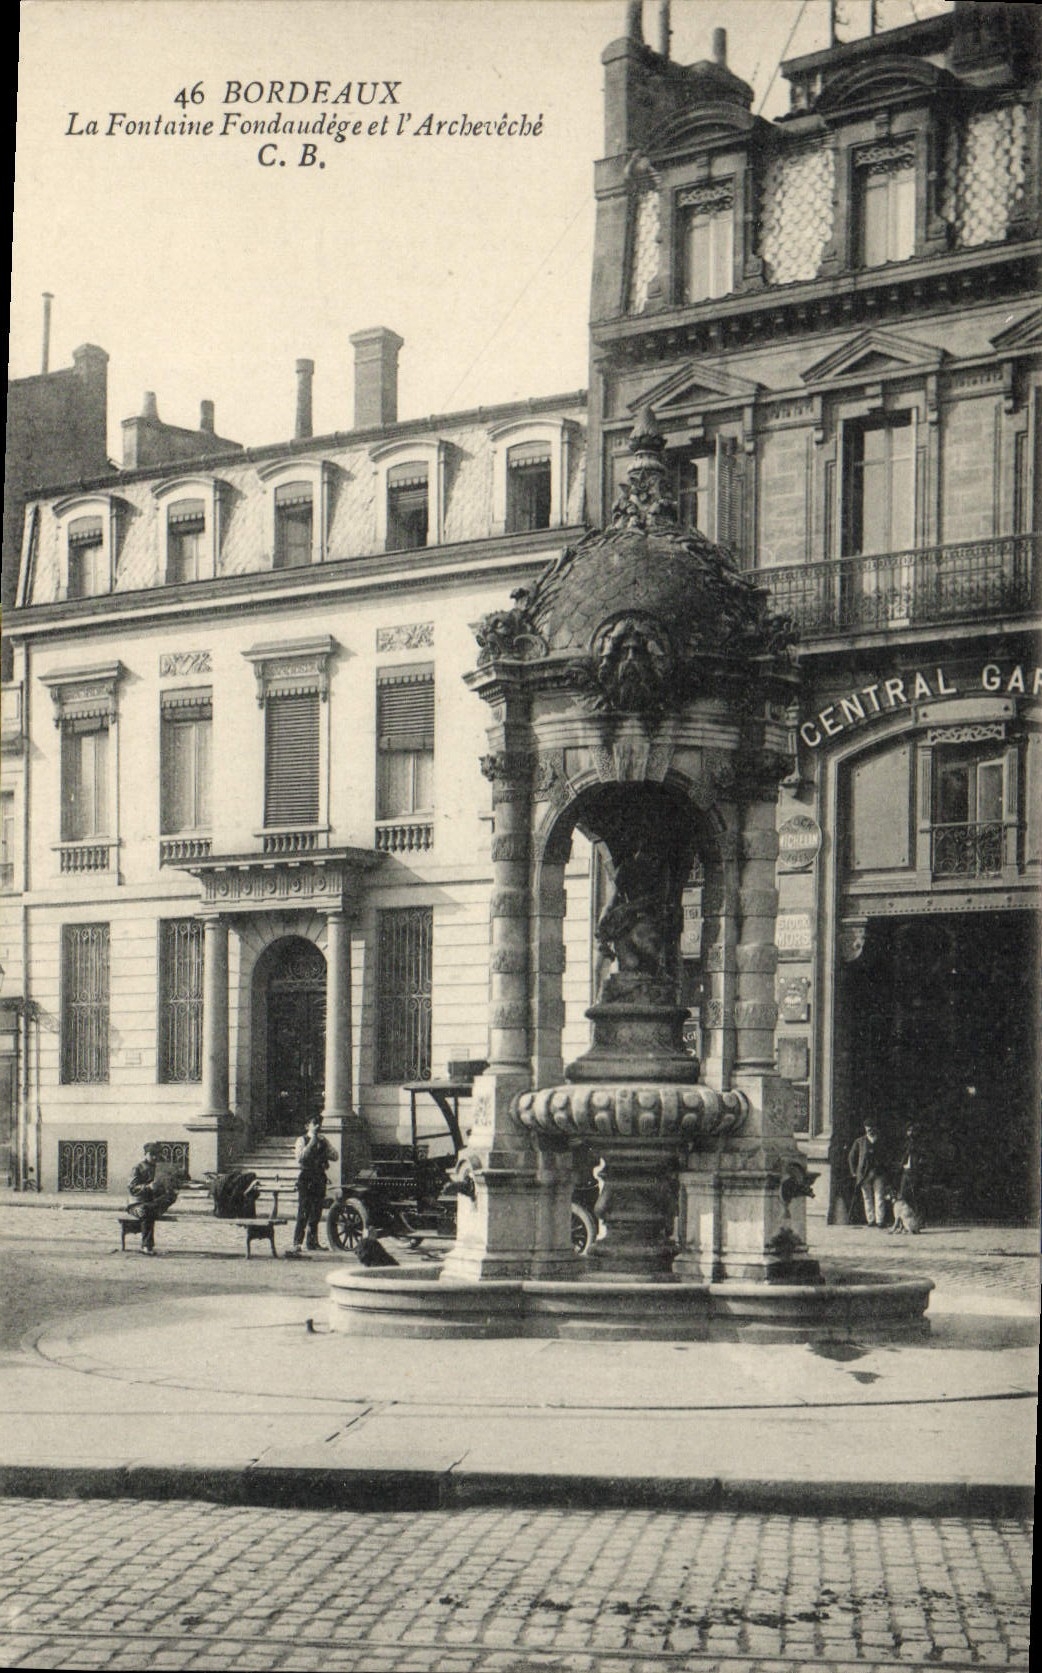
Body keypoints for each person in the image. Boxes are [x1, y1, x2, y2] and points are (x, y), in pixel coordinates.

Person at [285, 1115, 338, 1257]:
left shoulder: (323, 1140)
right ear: (307, 1126)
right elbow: (300, 1158)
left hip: (319, 1178)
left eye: (319, 1123)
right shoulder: (301, 1140)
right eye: (315, 1123)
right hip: (306, 1178)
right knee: (303, 1211)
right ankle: (297, 1243)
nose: (318, 1126)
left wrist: (325, 1148)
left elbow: (335, 1156)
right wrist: (312, 1142)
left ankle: (312, 1242)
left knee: (316, 1212)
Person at [127, 1142, 178, 1254]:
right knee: (147, 1210)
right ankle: (147, 1246)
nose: (155, 1157)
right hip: (137, 1204)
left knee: (169, 1197)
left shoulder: (160, 1169)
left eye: (157, 1154)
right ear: (145, 1154)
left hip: (154, 1203)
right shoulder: (138, 1168)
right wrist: (148, 1187)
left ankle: (147, 1245)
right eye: (152, 1154)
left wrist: (170, 1185)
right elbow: (132, 1188)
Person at [847, 1121, 888, 1227]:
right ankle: (871, 1220)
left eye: (872, 1127)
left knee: (879, 1195)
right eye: (867, 1127)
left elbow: (887, 1156)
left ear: (875, 1128)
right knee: (867, 1196)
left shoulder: (881, 1141)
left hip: (878, 1173)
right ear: (865, 1128)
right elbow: (851, 1156)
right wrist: (853, 1171)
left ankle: (880, 1220)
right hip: (864, 1174)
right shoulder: (859, 1141)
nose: (870, 1130)